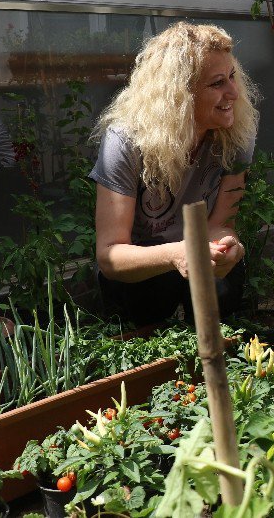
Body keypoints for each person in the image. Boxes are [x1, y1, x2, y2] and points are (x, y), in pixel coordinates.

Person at [90, 22, 259, 326]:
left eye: (232, 76)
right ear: (179, 96)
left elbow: (221, 224)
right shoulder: (125, 142)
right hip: (141, 272)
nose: (233, 92)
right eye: (217, 83)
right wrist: (177, 254)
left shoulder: (236, 136)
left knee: (227, 284)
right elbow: (110, 255)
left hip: (195, 254)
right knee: (144, 311)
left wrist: (229, 247)